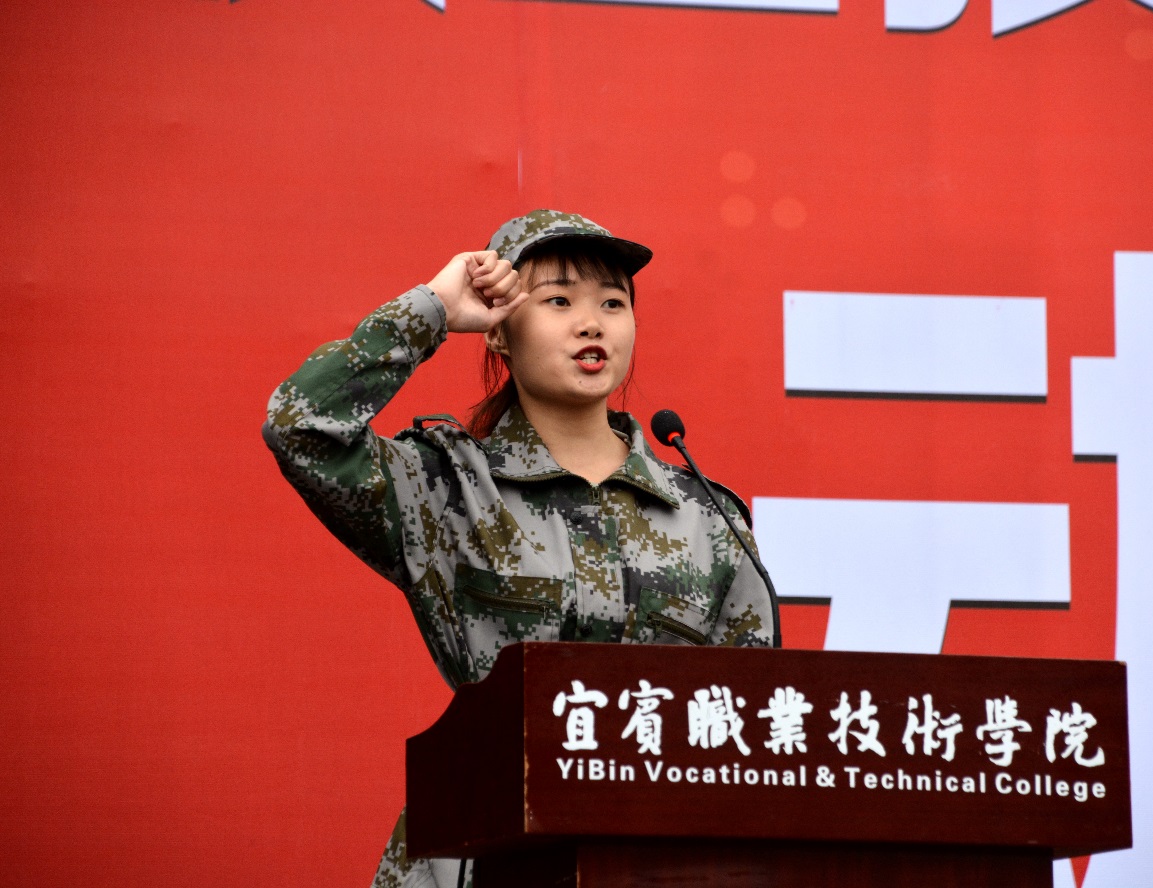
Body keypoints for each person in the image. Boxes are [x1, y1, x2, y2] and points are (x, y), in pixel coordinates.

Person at [262, 210, 777, 887]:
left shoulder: (707, 517)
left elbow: (749, 733)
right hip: (478, 854)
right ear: (500, 329)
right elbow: (302, 427)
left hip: (651, 865)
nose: (591, 324)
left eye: (613, 303)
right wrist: (433, 310)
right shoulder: (446, 487)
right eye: (558, 301)